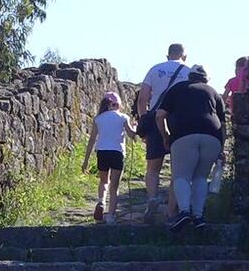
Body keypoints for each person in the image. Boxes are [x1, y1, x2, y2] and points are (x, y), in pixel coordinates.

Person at [153, 64, 229, 230]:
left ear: (190, 76)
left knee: (181, 176)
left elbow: (160, 115)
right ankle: (199, 215)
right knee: (201, 177)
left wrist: (165, 136)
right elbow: (223, 124)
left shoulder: (177, 88)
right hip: (212, 136)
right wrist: (221, 147)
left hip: (184, 134)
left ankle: (185, 212)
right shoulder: (213, 93)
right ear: (206, 79)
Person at [134, 43, 189, 220]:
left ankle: (152, 198)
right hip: (179, 121)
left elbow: (142, 98)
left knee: (153, 167)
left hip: (156, 118)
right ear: (184, 56)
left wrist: (143, 119)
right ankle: (173, 207)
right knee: (178, 168)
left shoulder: (155, 69)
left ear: (168, 56)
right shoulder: (188, 72)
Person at [87, 90, 132, 224]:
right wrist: (137, 129)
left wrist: (85, 161)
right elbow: (131, 134)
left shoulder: (98, 119)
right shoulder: (123, 117)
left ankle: (101, 202)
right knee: (115, 185)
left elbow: (92, 139)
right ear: (117, 104)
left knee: (104, 181)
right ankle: (111, 216)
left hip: (102, 152)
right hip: (117, 152)